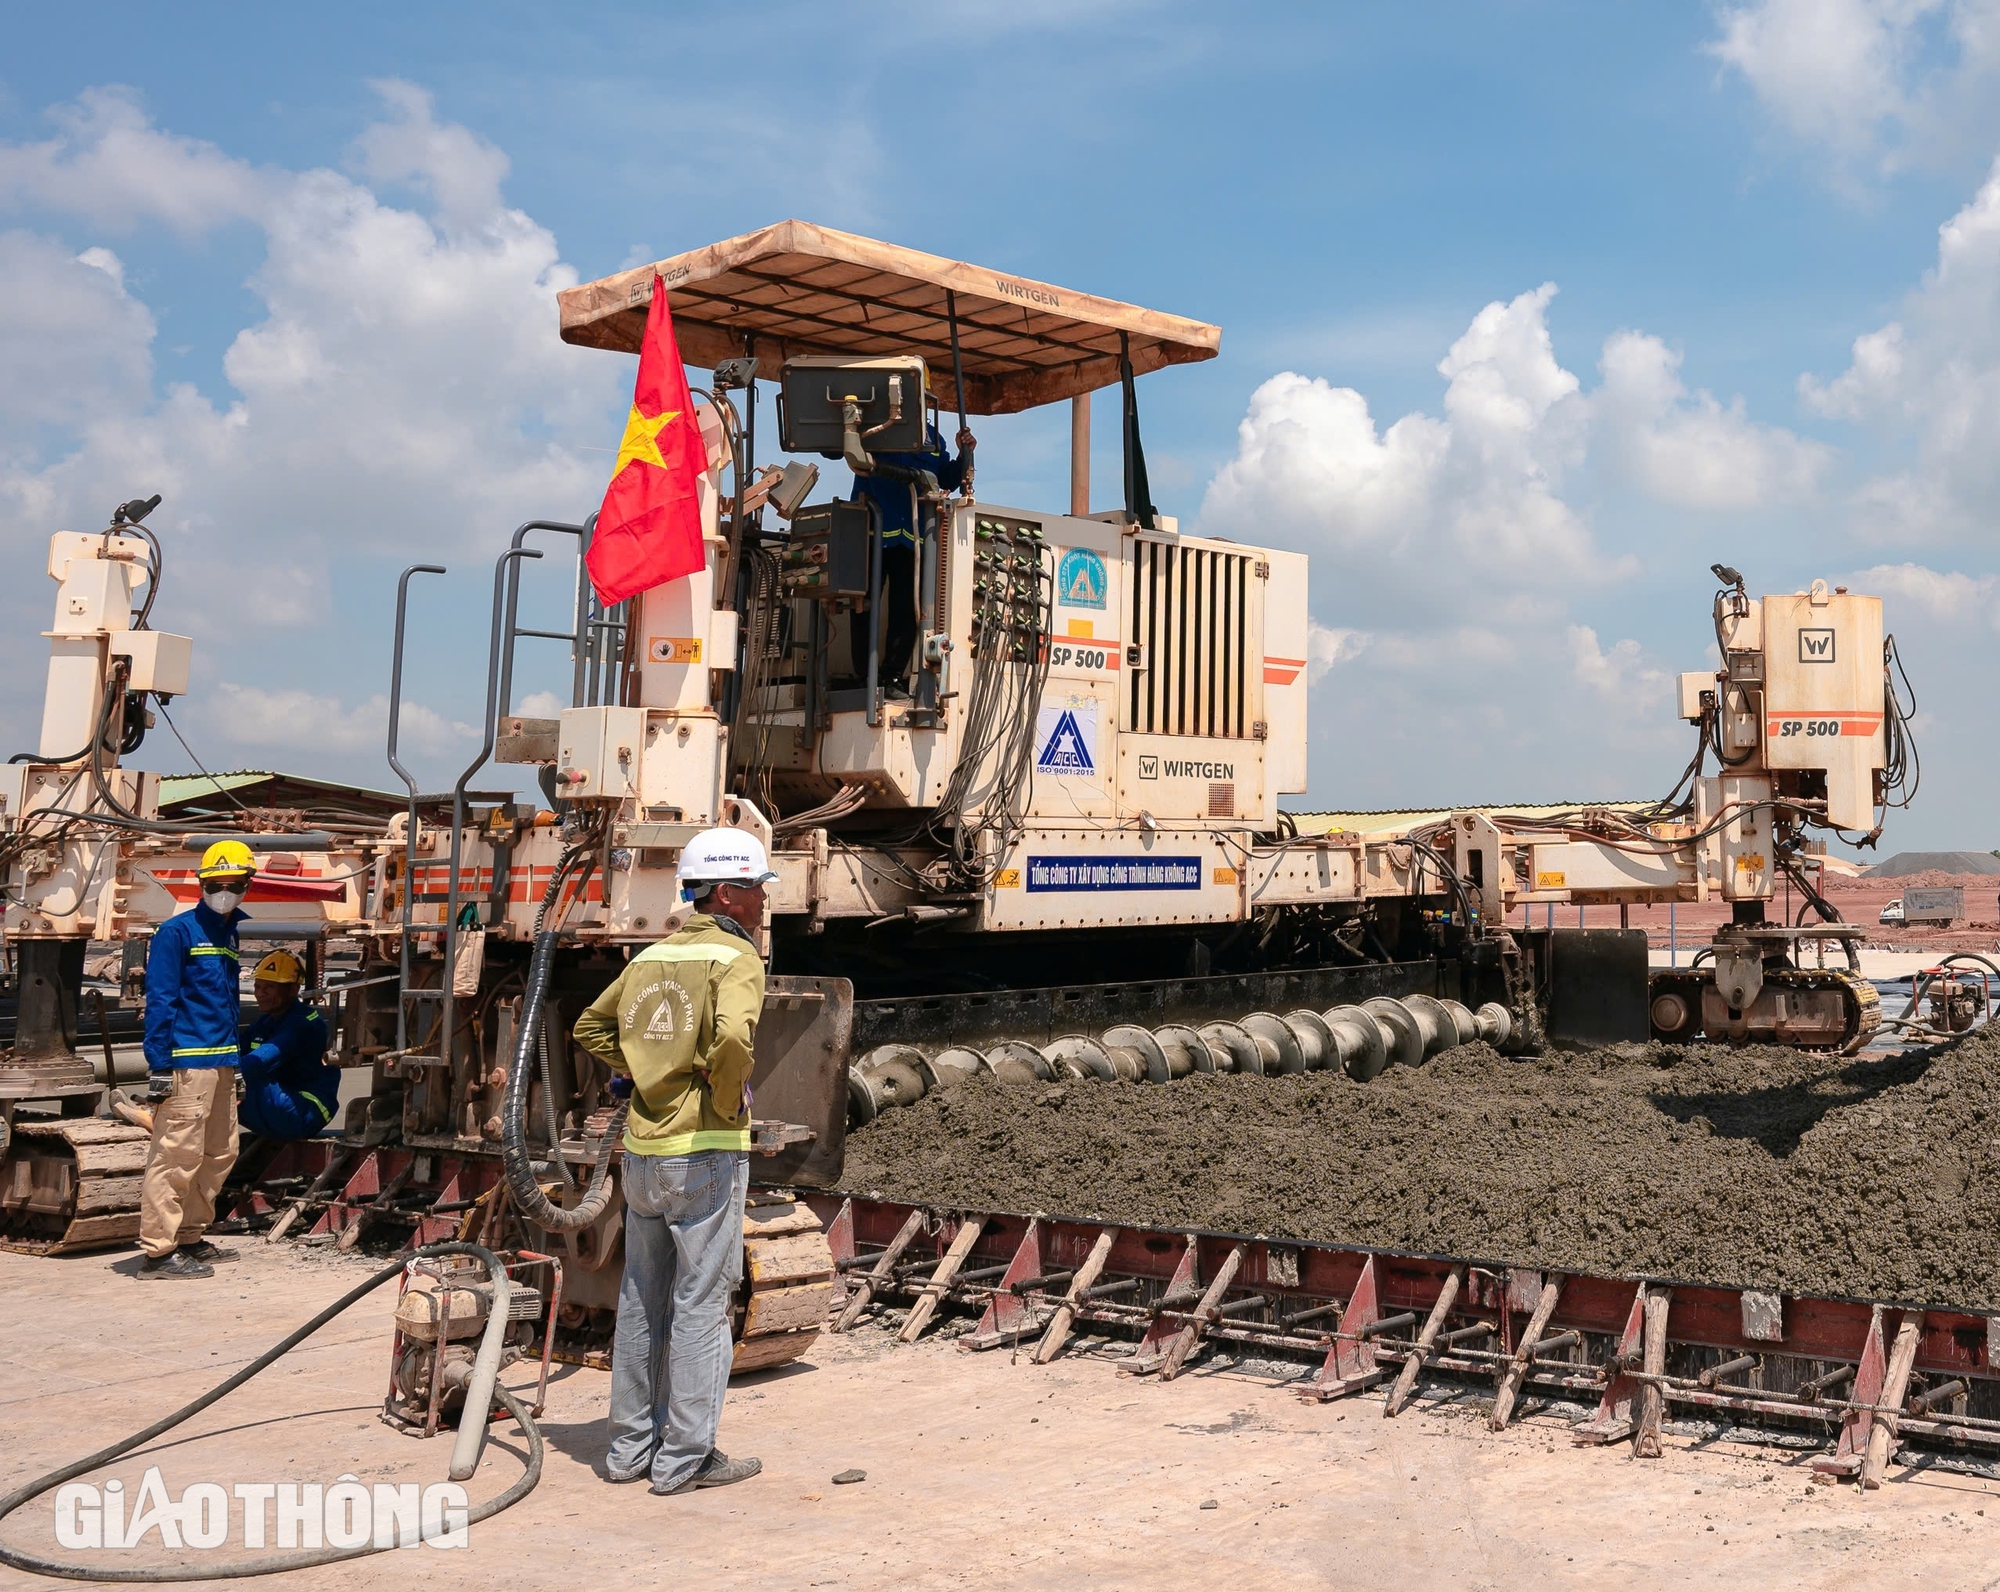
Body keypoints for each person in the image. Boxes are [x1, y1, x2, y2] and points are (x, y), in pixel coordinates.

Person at [573, 827, 776, 1495]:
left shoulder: (650, 956)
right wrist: (719, 1099)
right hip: (702, 1151)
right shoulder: (736, 959)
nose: (762, 902)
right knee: (700, 1304)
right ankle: (685, 1458)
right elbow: (735, 1040)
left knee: (641, 1298)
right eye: (754, 890)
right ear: (726, 893)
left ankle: (628, 1453)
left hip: (642, 1151)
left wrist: (644, 1072)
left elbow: (590, 1027)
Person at [137, 839, 255, 1280]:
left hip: (222, 1062)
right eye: (216, 883)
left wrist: (237, 1066)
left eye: (233, 883)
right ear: (202, 883)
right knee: (176, 1156)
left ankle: (189, 1235)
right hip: (187, 1064)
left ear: (247, 885)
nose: (224, 890)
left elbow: (224, 1004)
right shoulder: (177, 932)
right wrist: (159, 1066)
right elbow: (161, 1001)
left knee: (219, 1152)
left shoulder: (228, 934)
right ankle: (158, 1252)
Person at [851, 419, 971, 695]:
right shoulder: (873, 424)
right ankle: (864, 679)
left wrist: (964, 454)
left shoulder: (932, 438)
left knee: (907, 611)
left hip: (912, 539)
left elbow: (947, 478)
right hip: (871, 533)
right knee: (863, 607)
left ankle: (892, 677)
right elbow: (834, 450)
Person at [237, 950, 339, 1139]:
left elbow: (258, 1063)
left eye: (269, 987)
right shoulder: (265, 1022)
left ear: (293, 990)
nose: (260, 993)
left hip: (306, 1111)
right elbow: (233, 1052)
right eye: (257, 986)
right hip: (282, 1103)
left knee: (236, 1081)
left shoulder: (303, 1024)